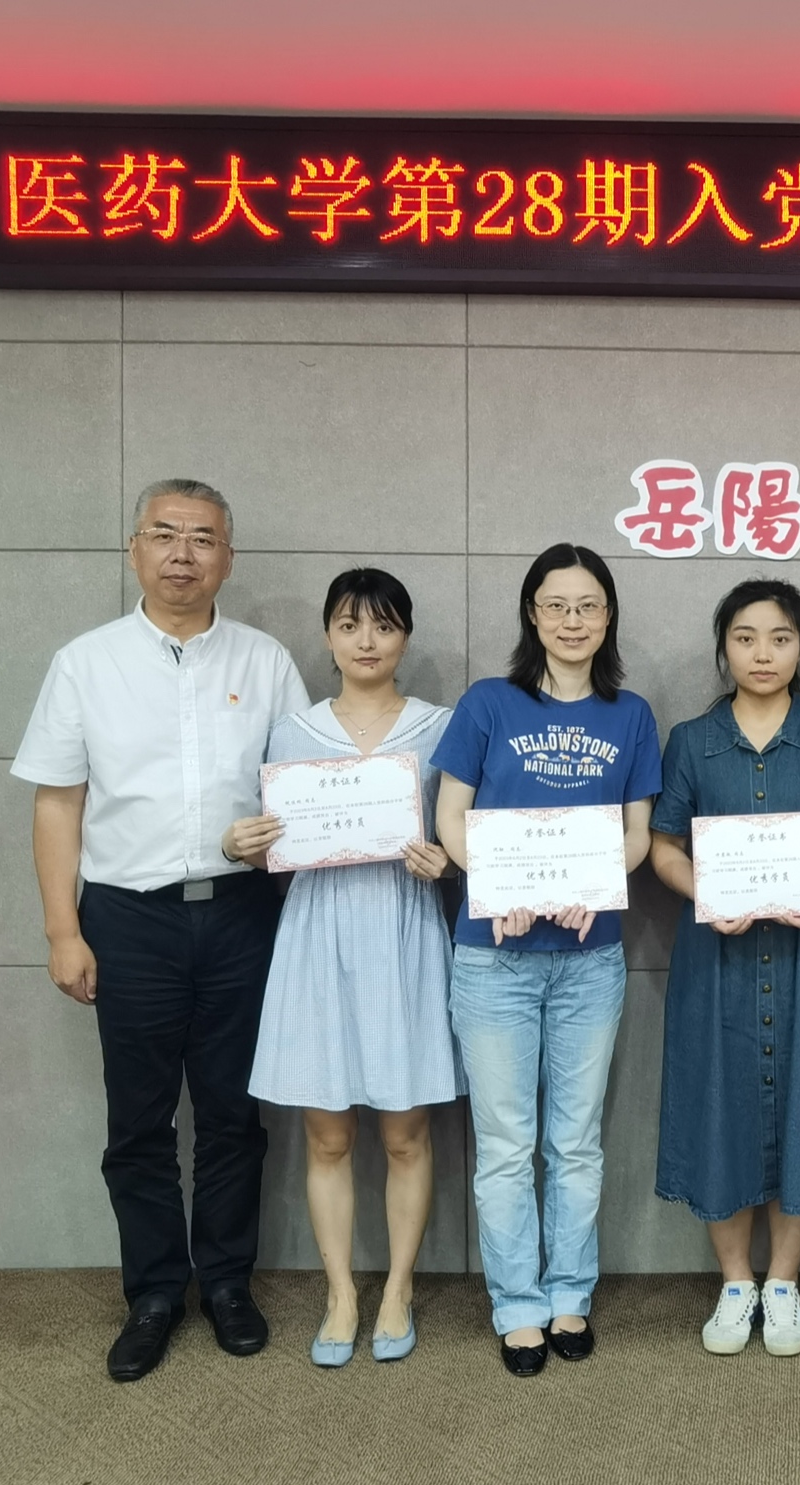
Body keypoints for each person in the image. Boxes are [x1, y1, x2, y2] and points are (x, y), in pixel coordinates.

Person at [12, 478, 308, 1382]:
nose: (184, 553)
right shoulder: (85, 662)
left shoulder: (266, 661)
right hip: (128, 918)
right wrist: (62, 930)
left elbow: (303, 790)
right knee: (138, 1119)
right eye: (165, 533)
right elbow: (58, 803)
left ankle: (225, 1282)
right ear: (134, 547)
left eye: (203, 538)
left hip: (242, 914)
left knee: (233, 1115)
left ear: (229, 557)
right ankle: (150, 1293)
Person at [222, 568, 462, 1368]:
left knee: (405, 1130)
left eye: (384, 625)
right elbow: (270, 843)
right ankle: (340, 1294)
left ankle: (397, 1288)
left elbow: (468, 834)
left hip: (403, 929)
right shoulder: (291, 733)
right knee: (325, 1134)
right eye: (351, 625)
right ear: (328, 635)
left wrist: (446, 862)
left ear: (405, 636)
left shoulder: (442, 729)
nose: (367, 641)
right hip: (318, 934)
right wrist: (245, 844)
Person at [433, 543, 662, 1378]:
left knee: (575, 1141)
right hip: (493, 958)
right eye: (556, 605)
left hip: (589, 959)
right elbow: (449, 818)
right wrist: (498, 884)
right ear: (532, 613)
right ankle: (517, 1305)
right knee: (504, 1143)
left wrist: (595, 887)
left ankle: (570, 1294)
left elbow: (636, 834)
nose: (573, 620)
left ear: (608, 616)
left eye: (588, 605)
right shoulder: (489, 703)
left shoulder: (630, 715)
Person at [647, 580, 800, 1358]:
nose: (762, 653)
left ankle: (783, 1281)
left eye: (779, 637)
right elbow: (664, 846)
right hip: (717, 958)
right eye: (745, 637)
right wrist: (703, 890)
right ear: (724, 648)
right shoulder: (691, 740)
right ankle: (736, 1281)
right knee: (719, 1110)